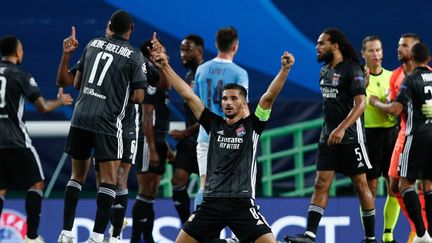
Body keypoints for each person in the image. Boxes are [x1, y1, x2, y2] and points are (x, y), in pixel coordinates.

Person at [151, 31, 294, 243]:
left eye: (233, 98)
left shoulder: (253, 126)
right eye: (225, 98)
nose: (227, 102)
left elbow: (269, 97)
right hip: (211, 204)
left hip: (242, 204)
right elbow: (188, 95)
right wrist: (164, 66)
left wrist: (284, 70)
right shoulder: (213, 124)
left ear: (243, 103)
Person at [58, 10, 147, 243]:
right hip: (107, 122)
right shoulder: (134, 56)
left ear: (109, 26)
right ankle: (98, 236)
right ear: (130, 30)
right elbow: (138, 96)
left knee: (76, 176)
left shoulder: (93, 43)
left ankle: (66, 232)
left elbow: (76, 83)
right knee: (110, 179)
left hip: (80, 118)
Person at [285, 28, 376, 243]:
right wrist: (332, 130)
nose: (317, 48)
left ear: (335, 45)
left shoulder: (352, 69)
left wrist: (342, 127)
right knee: (320, 183)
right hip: (328, 138)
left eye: (321, 43)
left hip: (351, 137)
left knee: (361, 186)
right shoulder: (324, 71)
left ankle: (371, 238)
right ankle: (309, 235)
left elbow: (361, 103)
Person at [0, 35, 73, 243]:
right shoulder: (21, 75)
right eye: (21, 49)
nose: (22, 52)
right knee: (36, 184)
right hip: (16, 140)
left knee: (0, 188)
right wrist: (60, 101)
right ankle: (31, 237)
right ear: (16, 52)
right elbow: (43, 107)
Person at [369, 42, 432, 242]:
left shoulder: (410, 79)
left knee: (404, 185)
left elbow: (396, 109)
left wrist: (376, 103)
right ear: (428, 59)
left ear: (412, 58)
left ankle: (421, 234)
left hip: (415, 137)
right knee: (428, 185)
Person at [193, 26, 249, 208]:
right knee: (234, 187)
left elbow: (195, 103)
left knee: (204, 185)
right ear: (236, 46)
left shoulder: (201, 70)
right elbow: (243, 107)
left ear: (216, 44)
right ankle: (234, 234)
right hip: (230, 138)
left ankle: (198, 232)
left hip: (205, 135)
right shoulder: (239, 73)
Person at [130, 39, 173, 243]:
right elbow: (147, 115)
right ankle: (136, 237)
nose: (165, 52)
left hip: (158, 139)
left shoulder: (157, 74)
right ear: (150, 52)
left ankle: (147, 236)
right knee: (145, 190)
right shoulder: (145, 74)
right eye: (160, 49)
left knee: (152, 192)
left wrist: (163, 145)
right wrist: (153, 148)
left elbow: (168, 85)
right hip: (148, 140)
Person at [361, 35, 399, 243]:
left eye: (379, 50)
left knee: (394, 186)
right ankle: (370, 236)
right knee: (370, 188)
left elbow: (397, 105)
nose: (376, 54)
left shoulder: (393, 77)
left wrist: (390, 105)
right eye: (371, 51)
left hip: (391, 134)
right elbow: (364, 103)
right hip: (369, 135)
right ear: (363, 53)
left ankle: (388, 234)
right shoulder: (360, 78)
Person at [170, 34, 204, 224]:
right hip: (189, 141)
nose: (182, 54)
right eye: (181, 50)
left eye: (187, 50)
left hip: (206, 141)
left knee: (208, 188)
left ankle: (206, 228)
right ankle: (187, 226)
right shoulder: (189, 75)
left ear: (199, 51)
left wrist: (184, 133)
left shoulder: (206, 75)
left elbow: (210, 115)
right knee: (178, 181)